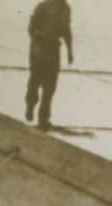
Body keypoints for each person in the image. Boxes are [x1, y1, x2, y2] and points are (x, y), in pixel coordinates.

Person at [25, 0, 72, 132]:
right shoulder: (43, 6)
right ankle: (30, 105)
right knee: (35, 80)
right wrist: (37, 42)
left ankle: (43, 118)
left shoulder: (65, 7)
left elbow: (66, 30)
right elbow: (31, 27)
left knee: (50, 85)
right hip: (39, 47)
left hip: (53, 48)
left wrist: (70, 51)